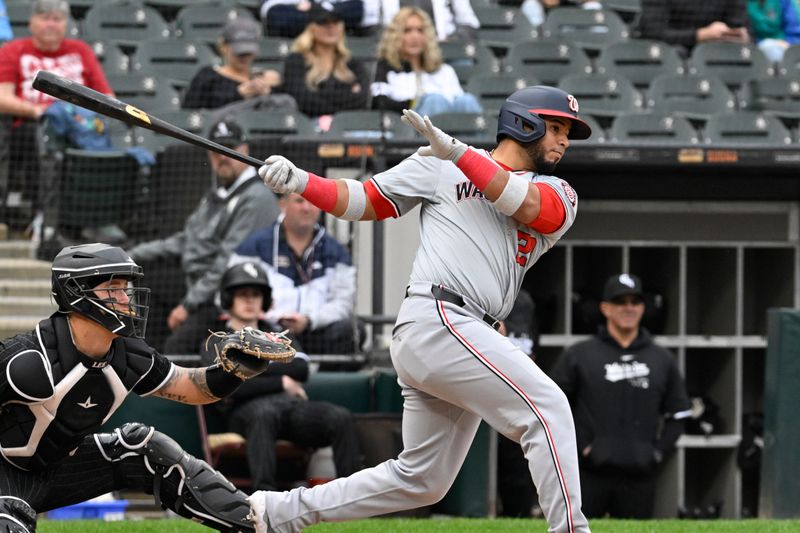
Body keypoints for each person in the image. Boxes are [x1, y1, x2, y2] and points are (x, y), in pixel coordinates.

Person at [247, 85, 593, 533]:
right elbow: (365, 200)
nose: (564, 140)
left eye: (567, 132)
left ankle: (279, 512)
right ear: (523, 123)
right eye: (556, 127)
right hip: (439, 316)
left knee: (423, 480)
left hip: (467, 332)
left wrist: (457, 151)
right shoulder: (438, 165)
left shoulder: (559, 192)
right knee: (547, 409)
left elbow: (523, 204)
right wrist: (301, 182)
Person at [0, 242, 275, 532]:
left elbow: (194, 387)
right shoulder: (25, 358)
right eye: (112, 287)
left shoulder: (129, 355)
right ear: (75, 292)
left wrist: (234, 370)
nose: (125, 297)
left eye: (125, 287)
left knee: (143, 447)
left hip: (61, 468)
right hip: (6, 474)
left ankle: (258, 524)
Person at [199, 261, 363, 491]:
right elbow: (232, 386)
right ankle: (266, 498)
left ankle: (354, 496)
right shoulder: (217, 339)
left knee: (340, 417)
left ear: (264, 300)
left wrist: (248, 367)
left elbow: (301, 368)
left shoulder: (276, 333)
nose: (250, 300)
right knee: (264, 414)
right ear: (229, 299)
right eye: (242, 294)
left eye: (256, 294)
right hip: (243, 412)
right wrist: (281, 381)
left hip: (288, 408)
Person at [127, 117, 280, 349]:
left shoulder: (257, 197)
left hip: (226, 295)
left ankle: (163, 374)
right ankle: (142, 366)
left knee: (175, 347)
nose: (222, 156)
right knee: (148, 283)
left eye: (230, 148)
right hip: (196, 286)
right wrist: (129, 254)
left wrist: (187, 306)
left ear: (245, 150)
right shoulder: (216, 194)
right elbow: (186, 240)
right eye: (216, 150)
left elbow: (226, 262)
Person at [550, 273, 692, 519]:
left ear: (643, 308)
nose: (629, 308)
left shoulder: (662, 359)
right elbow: (554, 406)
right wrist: (582, 447)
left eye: (635, 302)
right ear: (605, 308)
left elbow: (679, 414)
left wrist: (656, 453)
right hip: (589, 473)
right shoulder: (579, 355)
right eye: (620, 302)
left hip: (639, 477)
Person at [0, 0, 112, 234]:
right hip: (32, 126)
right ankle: (45, 218)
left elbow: (107, 97)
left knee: (94, 134)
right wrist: (38, 111)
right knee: (43, 133)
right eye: (44, 18)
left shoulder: (80, 51)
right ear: (31, 22)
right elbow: (2, 98)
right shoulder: (14, 50)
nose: (51, 24)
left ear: (66, 23)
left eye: (57, 19)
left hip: (80, 126)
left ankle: (94, 219)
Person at [231, 193, 360, 355]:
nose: (306, 208)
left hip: (315, 330)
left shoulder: (337, 252)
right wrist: (270, 316)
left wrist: (310, 320)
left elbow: (343, 303)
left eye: (313, 202)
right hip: (268, 330)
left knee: (353, 329)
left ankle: (321, 379)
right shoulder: (255, 245)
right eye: (299, 201)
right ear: (283, 205)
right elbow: (232, 291)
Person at [371, 7, 482, 117]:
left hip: (449, 128)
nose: (415, 37)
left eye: (420, 30)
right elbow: (378, 102)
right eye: (407, 30)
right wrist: (412, 103)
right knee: (434, 101)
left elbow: (458, 103)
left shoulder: (445, 71)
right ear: (395, 35)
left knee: (468, 101)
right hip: (408, 127)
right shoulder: (384, 69)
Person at [279, 3, 370, 122]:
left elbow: (362, 100)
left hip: (350, 125)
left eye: (336, 22)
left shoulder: (353, 63)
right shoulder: (296, 60)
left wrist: (323, 95)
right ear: (310, 28)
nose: (331, 27)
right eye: (323, 22)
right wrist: (347, 94)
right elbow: (302, 100)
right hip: (310, 126)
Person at [182, 18, 284, 111]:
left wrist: (268, 95)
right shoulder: (208, 76)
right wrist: (238, 94)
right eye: (239, 53)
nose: (244, 58)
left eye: (248, 53)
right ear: (224, 47)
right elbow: (189, 112)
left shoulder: (266, 78)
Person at [637, 0, 750, 56]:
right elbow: (653, 33)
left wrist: (738, 35)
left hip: (718, 50)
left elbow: (741, 26)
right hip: (672, 50)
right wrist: (700, 35)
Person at [260, 0, 365, 38]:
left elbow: (357, 10)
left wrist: (314, 8)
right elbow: (279, 20)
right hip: (294, 55)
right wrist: (331, 11)